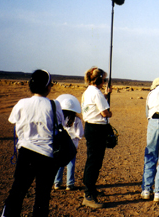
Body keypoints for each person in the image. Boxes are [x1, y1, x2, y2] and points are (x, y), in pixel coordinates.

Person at [1, 69, 64, 217]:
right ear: (48, 86)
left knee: (17, 191)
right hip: (48, 156)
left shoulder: (22, 103)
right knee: (42, 196)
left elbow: (13, 121)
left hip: (26, 153)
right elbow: (60, 125)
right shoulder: (54, 105)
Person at [81, 66, 112, 209]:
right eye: (104, 79)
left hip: (90, 127)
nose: (105, 81)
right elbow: (105, 113)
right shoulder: (96, 94)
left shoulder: (88, 92)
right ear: (100, 79)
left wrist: (105, 95)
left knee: (94, 160)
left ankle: (91, 189)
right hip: (97, 129)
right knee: (94, 161)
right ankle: (88, 194)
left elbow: (95, 106)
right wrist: (109, 113)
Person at [53, 94, 84, 191]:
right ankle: (69, 184)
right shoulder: (77, 120)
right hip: (72, 145)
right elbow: (80, 134)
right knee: (71, 164)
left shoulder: (60, 118)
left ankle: (57, 183)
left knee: (60, 163)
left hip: (61, 144)